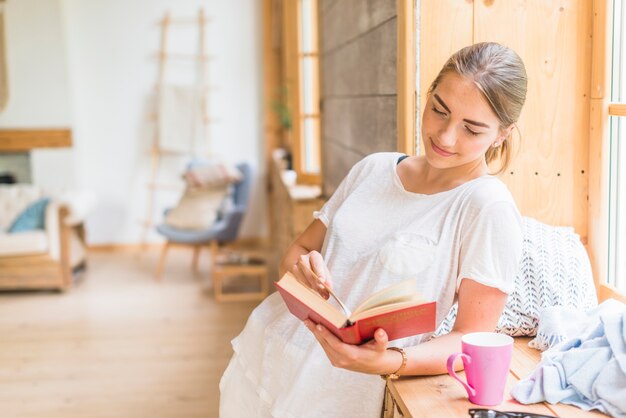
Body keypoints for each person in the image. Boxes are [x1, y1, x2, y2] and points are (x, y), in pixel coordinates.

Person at [220, 42, 528, 418]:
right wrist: (304, 272)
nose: (445, 137)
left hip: (346, 391)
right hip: (273, 357)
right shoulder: (374, 169)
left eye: (472, 129)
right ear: (428, 95)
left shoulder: (486, 206)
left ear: (501, 134)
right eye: (439, 111)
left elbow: (471, 340)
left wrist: (390, 362)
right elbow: (297, 253)